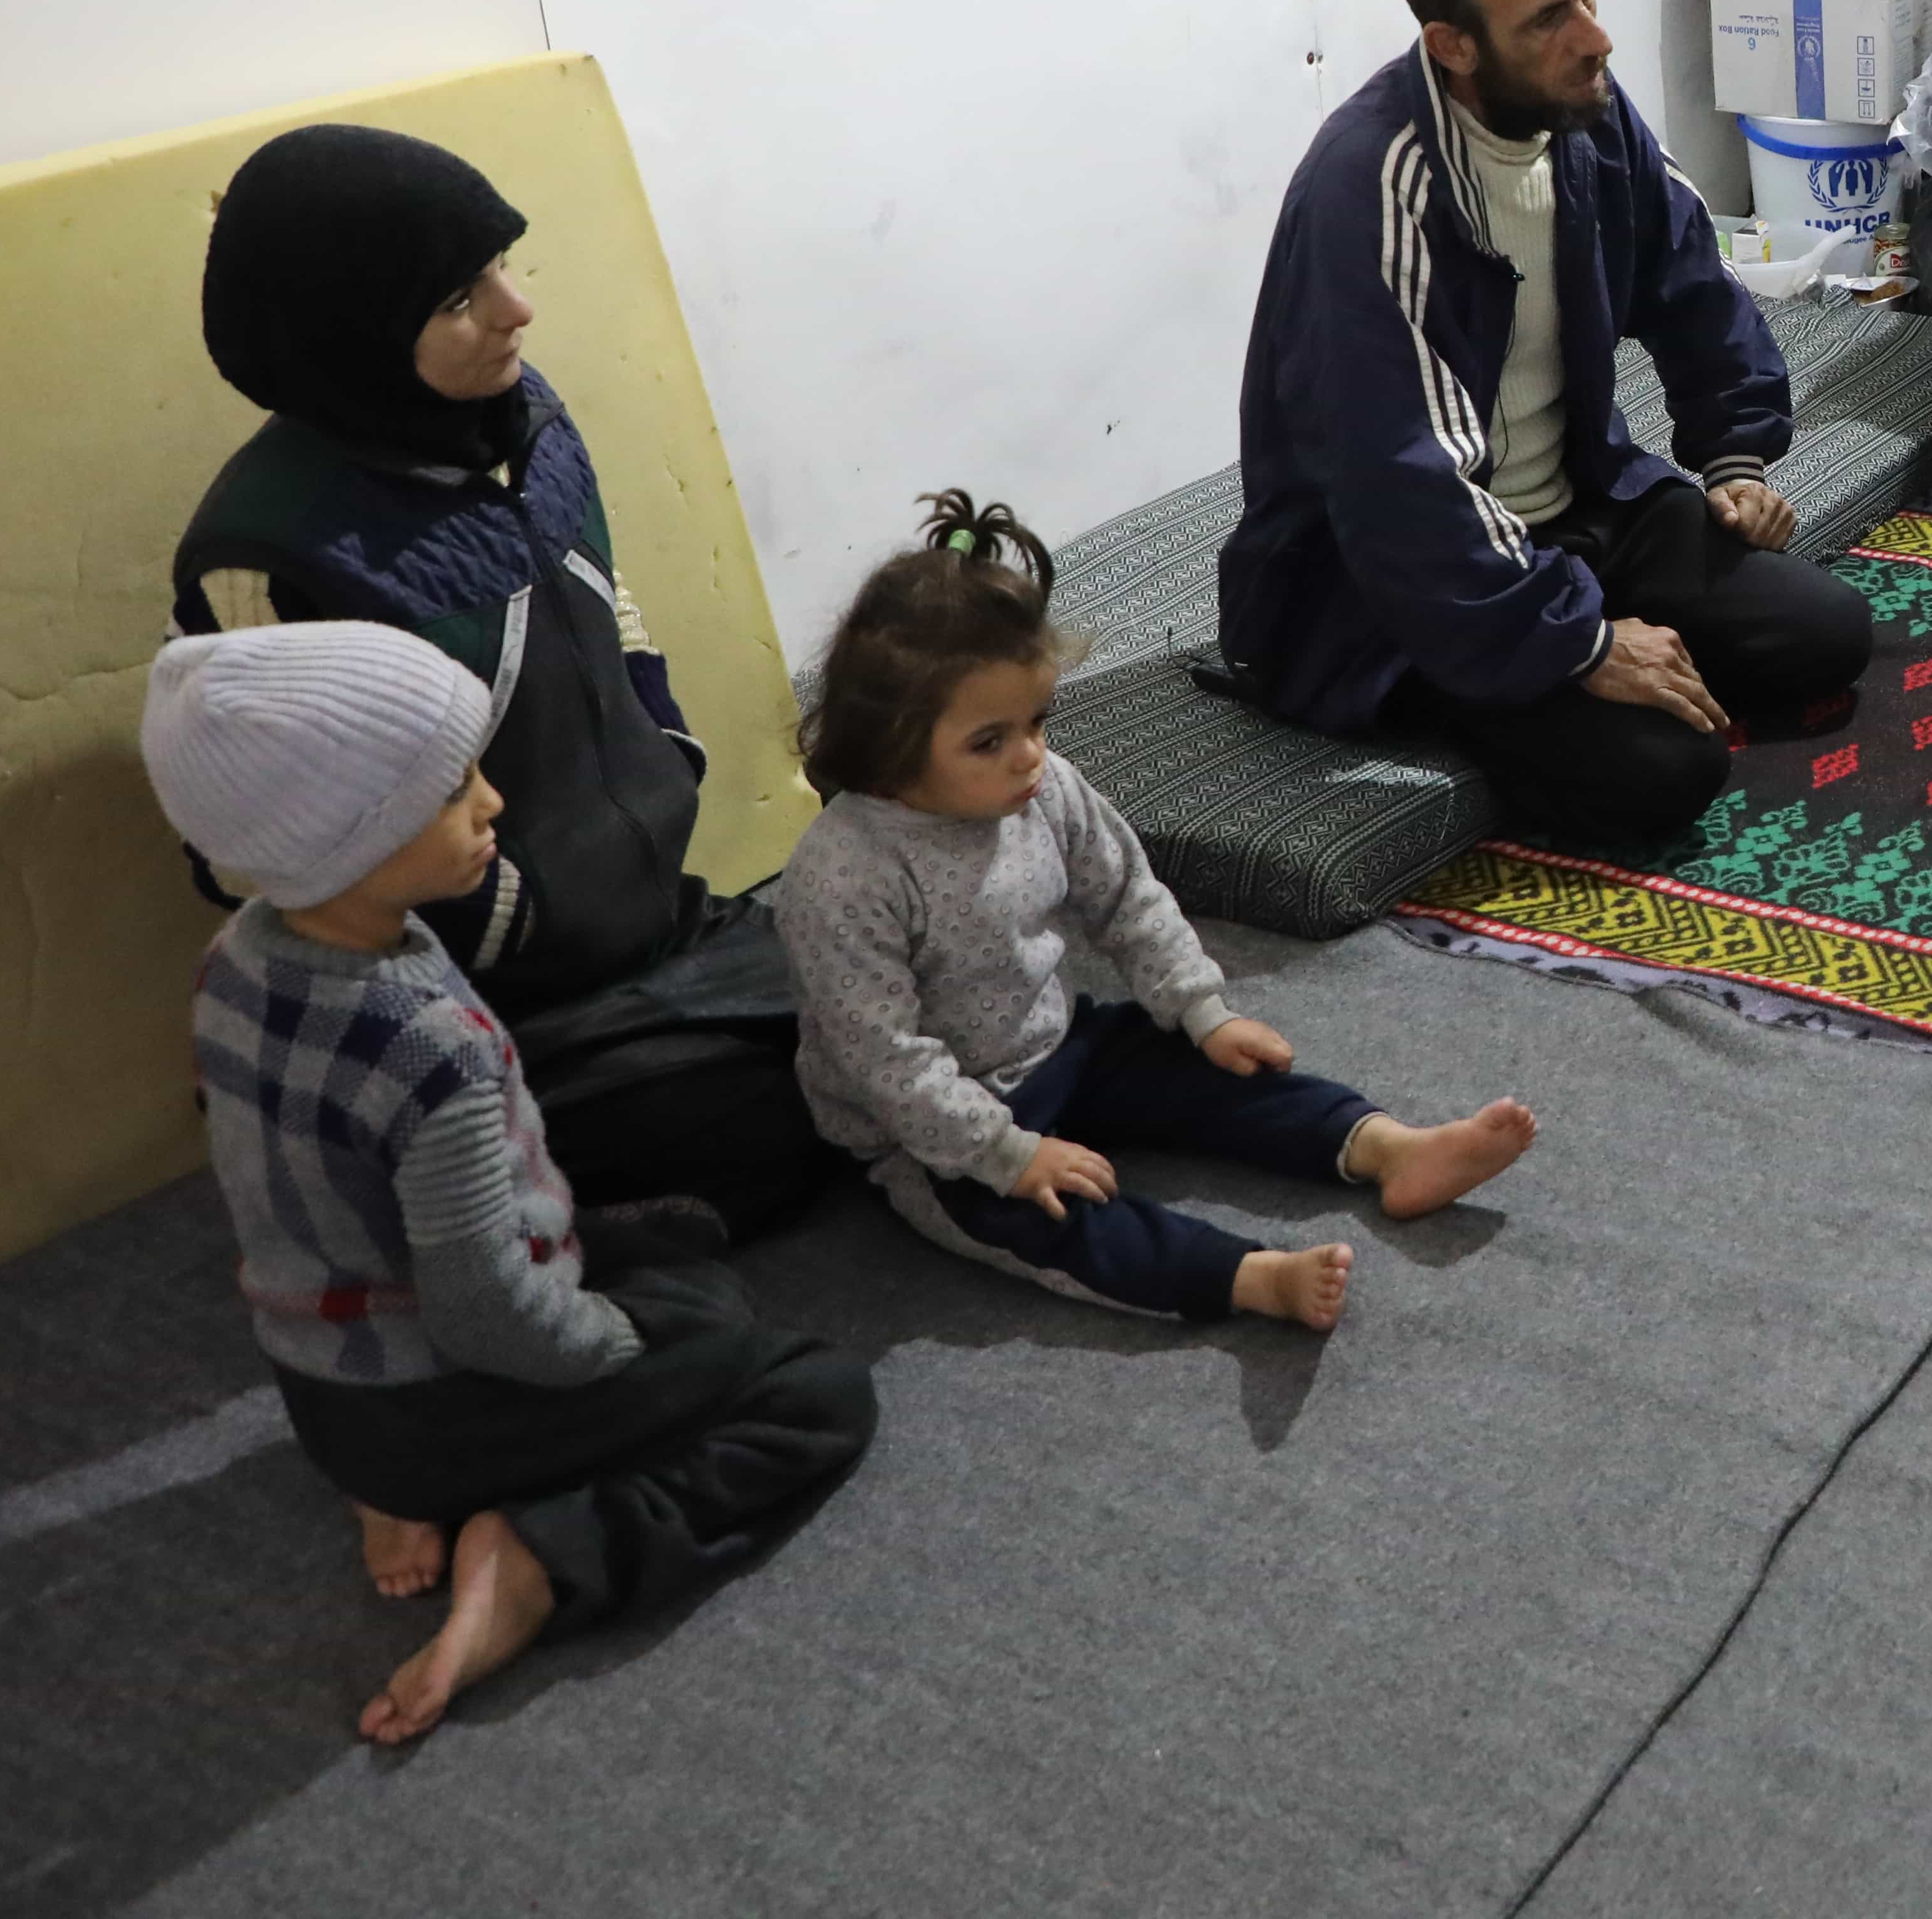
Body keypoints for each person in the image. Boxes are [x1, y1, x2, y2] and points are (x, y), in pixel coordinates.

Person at [139, 624, 876, 1746]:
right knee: (811, 1390)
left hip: (323, 1382)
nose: (493, 803)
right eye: (452, 791)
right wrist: (607, 1347)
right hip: (444, 1381)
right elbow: (486, 1310)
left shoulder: (237, 958)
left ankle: (394, 1494)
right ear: (342, 839)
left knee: (682, 1270)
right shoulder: (426, 1042)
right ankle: (543, 1556)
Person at [172, 124, 835, 1243]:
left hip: (660, 925)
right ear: (352, 336)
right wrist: (507, 922)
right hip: (485, 1002)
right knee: (771, 1123)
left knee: (897, 994)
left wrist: (669, 755)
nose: (516, 308)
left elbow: (616, 613)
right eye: (458, 299)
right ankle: (493, 1216)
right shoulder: (266, 548)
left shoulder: (532, 422)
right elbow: (254, 846)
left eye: (499, 268)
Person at [1216, 0, 1874, 842]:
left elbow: (1690, 281)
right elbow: (1401, 484)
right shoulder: (1371, 187)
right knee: (1668, 773)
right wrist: (1578, 641)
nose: (1594, 38)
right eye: (1548, 19)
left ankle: (1552, 651)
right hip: (1381, 578)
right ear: (1455, 46)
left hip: (1580, 507)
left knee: (1826, 634)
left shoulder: (1586, 114)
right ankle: (1454, 675)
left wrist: (1734, 454)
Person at [790, 494, 1539, 1328]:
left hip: (1058, 1040)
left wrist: (1201, 1010)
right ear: (888, 739)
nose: (1031, 754)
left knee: (1216, 1073)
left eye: (1037, 721)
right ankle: (1249, 1276)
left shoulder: (1046, 788)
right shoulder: (846, 874)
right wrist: (1010, 1154)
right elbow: (887, 1062)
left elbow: (1126, 897)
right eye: (990, 741)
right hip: (932, 1132)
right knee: (1040, 1220)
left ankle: (1388, 1148)